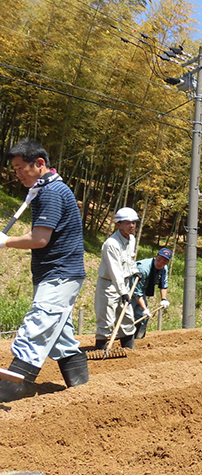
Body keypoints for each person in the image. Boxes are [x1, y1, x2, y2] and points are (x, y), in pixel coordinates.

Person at [0, 140, 89, 401]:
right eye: (14, 170)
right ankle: (83, 388)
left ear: (39, 164)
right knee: (61, 338)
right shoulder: (44, 190)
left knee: (38, 324)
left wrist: (5, 242)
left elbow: (40, 239)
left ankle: (11, 389)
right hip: (54, 272)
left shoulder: (52, 193)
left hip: (60, 272)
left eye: (20, 168)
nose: (17, 174)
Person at [94, 207, 140, 350]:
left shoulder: (131, 239)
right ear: (119, 224)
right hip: (109, 285)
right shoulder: (111, 244)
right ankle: (101, 351)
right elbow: (115, 271)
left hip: (124, 284)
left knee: (127, 317)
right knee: (106, 319)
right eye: (128, 223)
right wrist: (123, 292)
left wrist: (135, 271)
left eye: (134, 223)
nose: (132, 226)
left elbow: (129, 259)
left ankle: (128, 349)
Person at [132, 247, 172, 339]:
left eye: (164, 262)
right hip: (128, 291)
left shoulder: (164, 268)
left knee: (143, 318)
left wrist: (164, 299)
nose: (160, 264)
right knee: (128, 316)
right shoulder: (143, 268)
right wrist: (144, 309)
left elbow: (163, 284)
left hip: (141, 292)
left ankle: (138, 340)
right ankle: (125, 341)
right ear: (155, 256)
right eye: (159, 260)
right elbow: (137, 292)